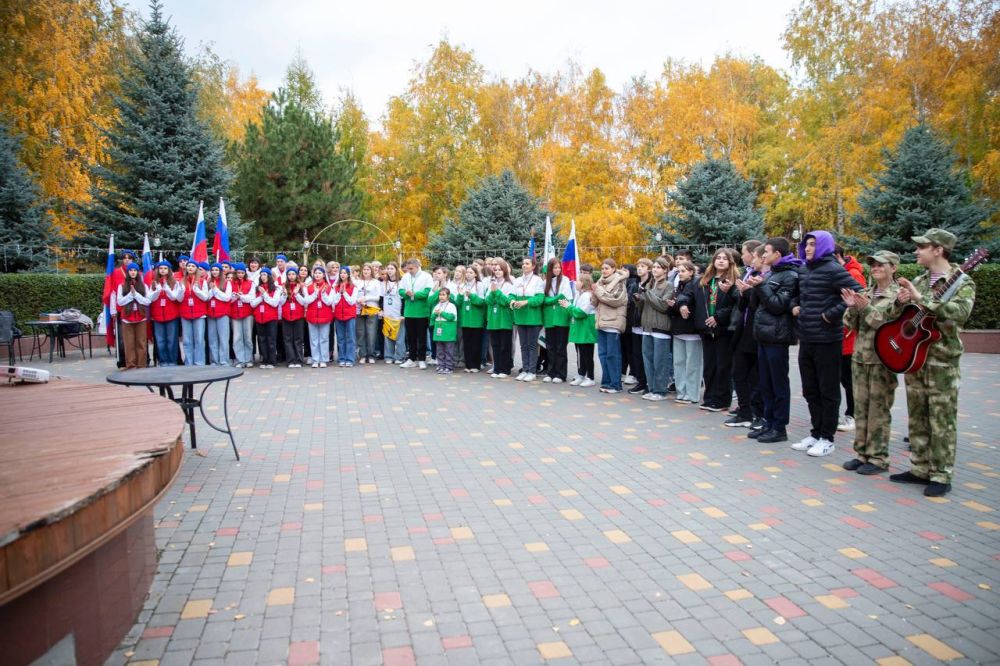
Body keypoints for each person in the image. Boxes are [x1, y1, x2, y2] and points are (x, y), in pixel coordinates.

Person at [889, 229, 976, 497]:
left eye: (922, 247)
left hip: (942, 360)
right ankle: (919, 468)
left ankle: (941, 474)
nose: (916, 251)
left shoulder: (962, 282)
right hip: (915, 358)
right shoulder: (919, 279)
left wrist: (919, 299)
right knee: (918, 416)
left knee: (941, 420)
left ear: (938, 250)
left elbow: (960, 313)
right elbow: (900, 316)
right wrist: (900, 302)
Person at [792, 231, 863, 457]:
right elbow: (797, 295)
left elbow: (859, 294)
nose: (809, 248)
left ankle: (827, 438)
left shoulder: (834, 269)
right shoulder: (804, 269)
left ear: (823, 246)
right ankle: (815, 433)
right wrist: (794, 306)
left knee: (828, 390)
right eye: (807, 244)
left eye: (813, 244)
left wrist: (831, 314)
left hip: (828, 339)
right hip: (807, 338)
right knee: (810, 389)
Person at [840, 250, 901, 474]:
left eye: (880, 265)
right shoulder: (866, 292)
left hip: (882, 360)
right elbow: (850, 324)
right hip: (861, 357)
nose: (875, 268)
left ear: (893, 268)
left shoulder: (899, 296)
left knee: (878, 410)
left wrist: (864, 307)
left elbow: (888, 327)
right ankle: (862, 453)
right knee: (862, 409)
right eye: (873, 265)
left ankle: (878, 458)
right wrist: (852, 307)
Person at [747, 238, 802, 443]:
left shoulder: (790, 275)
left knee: (778, 384)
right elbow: (757, 305)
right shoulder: (770, 273)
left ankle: (779, 427)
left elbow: (778, 305)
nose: (763, 256)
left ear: (777, 254)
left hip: (777, 336)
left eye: (766, 252)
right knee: (766, 383)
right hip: (763, 334)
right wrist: (755, 286)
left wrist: (761, 287)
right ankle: (768, 422)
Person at [693, 248, 739, 412]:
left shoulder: (732, 280)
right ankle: (710, 397)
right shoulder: (706, 280)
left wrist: (719, 317)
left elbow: (735, 305)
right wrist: (683, 304)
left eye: (724, 259)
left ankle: (722, 400)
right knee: (710, 365)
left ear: (730, 262)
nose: (720, 261)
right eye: (718, 258)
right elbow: (692, 297)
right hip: (706, 329)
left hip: (723, 329)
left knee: (723, 366)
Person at [728, 245, 766, 428]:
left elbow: (763, 304)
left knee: (753, 376)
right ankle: (745, 410)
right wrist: (740, 292)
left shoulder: (764, 276)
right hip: (742, 328)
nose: (741, 256)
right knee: (739, 372)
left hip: (755, 331)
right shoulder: (748, 273)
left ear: (753, 254)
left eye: (743, 252)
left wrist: (748, 291)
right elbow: (742, 305)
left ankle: (754, 412)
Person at [834, 244, 867, 432]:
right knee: (841, 377)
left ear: (838, 257)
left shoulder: (853, 275)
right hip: (840, 336)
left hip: (848, 336)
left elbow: (858, 303)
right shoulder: (842, 273)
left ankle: (853, 414)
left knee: (849, 379)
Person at [636, 257, 673, 401]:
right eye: (654, 267)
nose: (655, 270)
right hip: (647, 326)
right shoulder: (649, 285)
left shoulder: (668, 286)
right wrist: (638, 299)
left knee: (660, 361)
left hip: (661, 328)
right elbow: (644, 306)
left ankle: (660, 390)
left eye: (658, 267)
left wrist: (647, 294)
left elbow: (663, 306)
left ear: (665, 270)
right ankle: (651, 388)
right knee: (648, 360)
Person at [593, 259, 628, 394]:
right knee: (603, 355)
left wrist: (599, 292)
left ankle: (616, 384)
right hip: (601, 323)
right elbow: (595, 301)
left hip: (613, 323)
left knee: (613, 355)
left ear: (614, 269)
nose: (604, 271)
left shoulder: (619, 282)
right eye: (602, 268)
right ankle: (606, 382)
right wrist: (595, 293)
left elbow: (615, 300)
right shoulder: (600, 283)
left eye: (607, 268)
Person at [669, 261, 701, 404]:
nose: (680, 273)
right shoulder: (678, 286)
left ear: (691, 272)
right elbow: (678, 304)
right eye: (679, 271)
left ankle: (692, 393)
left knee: (692, 364)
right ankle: (681, 391)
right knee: (679, 362)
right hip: (678, 328)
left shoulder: (696, 284)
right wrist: (673, 305)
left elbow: (690, 301)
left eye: (683, 271)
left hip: (692, 330)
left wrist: (680, 304)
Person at [512, 257, 545, 382]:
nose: (524, 265)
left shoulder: (537, 280)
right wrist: (512, 300)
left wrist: (525, 302)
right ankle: (525, 369)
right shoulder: (518, 280)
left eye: (527, 263)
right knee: (523, 345)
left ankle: (532, 371)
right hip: (520, 317)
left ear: (533, 266)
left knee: (532, 345)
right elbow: (512, 294)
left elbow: (539, 299)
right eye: (523, 263)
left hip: (533, 318)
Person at [542, 257, 573, 383]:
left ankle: (561, 374)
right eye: (555, 267)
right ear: (550, 269)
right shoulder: (546, 282)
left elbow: (565, 298)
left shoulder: (565, 280)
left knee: (560, 347)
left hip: (561, 317)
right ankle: (551, 372)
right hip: (550, 318)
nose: (557, 270)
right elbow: (544, 300)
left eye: (559, 267)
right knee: (550, 347)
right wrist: (553, 300)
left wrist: (551, 300)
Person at [146, 261, 182, 366]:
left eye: (165, 268)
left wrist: (166, 288)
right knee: (160, 341)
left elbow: (174, 297)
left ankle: (172, 361)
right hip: (157, 316)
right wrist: (157, 290)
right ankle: (163, 361)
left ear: (169, 270)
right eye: (161, 268)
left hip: (172, 315)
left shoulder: (175, 282)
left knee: (171, 340)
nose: (162, 270)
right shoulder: (153, 283)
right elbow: (150, 299)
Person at [399, 258, 433, 369]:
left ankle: (422, 359)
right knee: (411, 337)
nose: (409, 270)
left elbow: (427, 291)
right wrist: (406, 293)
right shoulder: (405, 277)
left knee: (421, 336)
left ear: (417, 266)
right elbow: (400, 290)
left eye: (411, 268)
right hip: (409, 311)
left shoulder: (426, 276)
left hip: (421, 311)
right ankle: (412, 359)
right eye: (408, 268)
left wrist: (414, 294)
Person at [116, 262, 151, 369]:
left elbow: (147, 301)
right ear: (128, 272)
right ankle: (131, 365)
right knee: (129, 343)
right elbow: (120, 302)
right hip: (127, 318)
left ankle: (141, 365)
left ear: (138, 272)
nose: (133, 272)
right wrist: (131, 295)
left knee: (141, 342)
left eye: (135, 270)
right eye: (131, 270)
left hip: (141, 317)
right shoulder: (121, 286)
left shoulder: (143, 285)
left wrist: (136, 294)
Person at [485, 259, 515, 378]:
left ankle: (505, 369)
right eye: (495, 270)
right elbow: (488, 301)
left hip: (505, 319)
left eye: (500, 270)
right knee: (495, 345)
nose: (497, 272)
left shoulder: (509, 284)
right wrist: (493, 293)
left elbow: (506, 302)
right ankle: (496, 368)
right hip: (493, 319)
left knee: (505, 346)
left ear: (504, 271)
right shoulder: (491, 284)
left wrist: (497, 292)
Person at [566, 273, 597, 387]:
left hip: (585, 329)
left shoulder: (587, 295)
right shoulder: (580, 295)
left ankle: (591, 377)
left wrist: (568, 307)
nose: (575, 283)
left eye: (578, 280)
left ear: (584, 283)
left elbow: (581, 313)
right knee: (580, 353)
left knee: (587, 353)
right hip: (580, 329)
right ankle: (581, 374)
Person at [623, 262, 649, 391]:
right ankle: (640, 381)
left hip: (645, 324)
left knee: (645, 355)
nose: (639, 268)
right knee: (636, 353)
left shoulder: (649, 284)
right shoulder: (635, 284)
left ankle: (646, 382)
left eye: (643, 266)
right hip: (634, 323)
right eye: (638, 266)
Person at [179, 261, 210, 366]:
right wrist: (181, 292)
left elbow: (205, 297)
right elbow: (179, 299)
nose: (190, 268)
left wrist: (196, 290)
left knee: (199, 340)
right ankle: (189, 362)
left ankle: (199, 362)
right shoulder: (181, 281)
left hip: (199, 314)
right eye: (189, 266)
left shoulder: (202, 281)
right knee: (187, 341)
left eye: (193, 266)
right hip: (185, 313)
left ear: (197, 268)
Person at [457, 264, 487, 372]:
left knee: (475, 343)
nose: (468, 275)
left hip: (476, 319)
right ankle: (468, 365)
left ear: (475, 274)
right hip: (465, 319)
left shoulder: (479, 285)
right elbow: (458, 303)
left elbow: (481, 302)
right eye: (467, 272)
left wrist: (471, 295)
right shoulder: (463, 285)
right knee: (467, 343)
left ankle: (475, 365)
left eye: (471, 272)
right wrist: (460, 295)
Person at [303, 266, 334, 368]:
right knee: (314, 339)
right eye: (316, 273)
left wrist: (323, 294)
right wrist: (315, 294)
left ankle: (324, 359)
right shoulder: (308, 287)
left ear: (324, 275)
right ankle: (316, 359)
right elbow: (306, 301)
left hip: (325, 316)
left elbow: (330, 302)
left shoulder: (329, 287)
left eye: (320, 273)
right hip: (312, 316)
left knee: (324, 338)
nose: (317, 275)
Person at [250, 267, 281, 368]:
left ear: (269, 276)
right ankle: (264, 360)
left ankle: (272, 360)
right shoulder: (256, 288)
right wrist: (261, 296)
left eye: (265, 275)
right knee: (262, 339)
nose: (263, 277)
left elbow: (274, 303)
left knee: (271, 339)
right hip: (259, 317)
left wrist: (265, 294)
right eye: (262, 275)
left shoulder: (275, 288)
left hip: (271, 317)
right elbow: (253, 304)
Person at [206, 263, 232, 366]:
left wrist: (215, 290)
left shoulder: (226, 283)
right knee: (212, 339)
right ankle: (214, 360)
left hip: (222, 313)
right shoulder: (208, 282)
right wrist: (212, 291)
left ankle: (224, 360)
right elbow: (206, 297)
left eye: (216, 270)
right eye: (213, 270)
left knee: (223, 338)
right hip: (211, 314)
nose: (214, 272)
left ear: (220, 271)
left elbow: (227, 297)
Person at [230, 263, 255, 368]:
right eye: (238, 273)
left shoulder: (250, 283)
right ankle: (240, 359)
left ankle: (248, 359)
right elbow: (228, 298)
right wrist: (235, 297)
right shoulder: (230, 283)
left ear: (245, 273)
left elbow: (251, 297)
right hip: (235, 313)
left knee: (248, 337)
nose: (240, 274)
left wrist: (242, 297)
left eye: (242, 273)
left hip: (247, 313)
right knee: (237, 338)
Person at [281, 267, 307, 367]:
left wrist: (296, 294)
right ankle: (291, 360)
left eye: (293, 274)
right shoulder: (283, 286)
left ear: (296, 275)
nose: (291, 276)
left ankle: (299, 360)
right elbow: (281, 303)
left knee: (298, 339)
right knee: (288, 339)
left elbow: (304, 302)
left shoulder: (301, 286)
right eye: (289, 274)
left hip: (298, 316)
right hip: (286, 316)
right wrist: (284, 295)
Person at [355, 263, 381, 364]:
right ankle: (362, 354)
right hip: (360, 309)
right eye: (364, 269)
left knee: (371, 333)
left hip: (371, 309)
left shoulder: (376, 282)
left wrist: (367, 298)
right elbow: (355, 294)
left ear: (371, 271)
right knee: (360, 333)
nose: (366, 271)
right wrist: (359, 300)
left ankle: (371, 355)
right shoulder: (358, 282)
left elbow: (378, 297)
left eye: (368, 269)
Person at [381, 262, 407, 364]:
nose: (390, 270)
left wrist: (403, 314)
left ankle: (400, 357)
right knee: (388, 336)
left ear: (396, 270)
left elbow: (404, 300)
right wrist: (381, 310)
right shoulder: (384, 283)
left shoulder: (401, 283)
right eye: (388, 268)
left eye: (392, 268)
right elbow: (381, 298)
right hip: (387, 314)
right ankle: (389, 356)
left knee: (400, 337)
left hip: (398, 315)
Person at [332, 267, 358, 367]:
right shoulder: (336, 287)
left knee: (350, 338)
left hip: (350, 315)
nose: (342, 275)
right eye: (341, 273)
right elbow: (334, 301)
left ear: (348, 274)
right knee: (341, 338)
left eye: (344, 273)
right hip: (338, 315)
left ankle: (350, 359)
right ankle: (342, 358)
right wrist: (340, 293)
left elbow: (352, 301)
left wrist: (345, 293)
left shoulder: (354, 287)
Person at [431, 287, 458, 374]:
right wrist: (435, 314)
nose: (441, 297)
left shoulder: (451, 306)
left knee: (448, 350)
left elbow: (451, 317)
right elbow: (432, 318)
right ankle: (441, 365)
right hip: (439, 332)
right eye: (440, 295)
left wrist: (441, 313)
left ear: (448, 296)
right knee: (439, 350)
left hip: (448, 332)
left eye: (443, 295)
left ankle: (449, 367)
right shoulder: (437, 305)